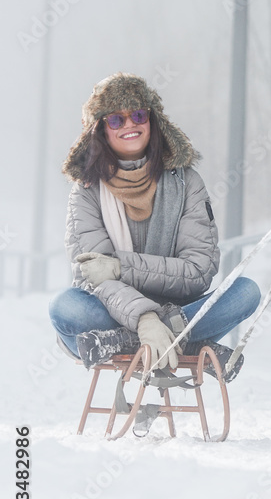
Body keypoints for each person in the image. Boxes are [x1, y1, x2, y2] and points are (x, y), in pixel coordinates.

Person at [49, 72, 260, 379]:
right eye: (115, 120)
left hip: (179, 307)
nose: (130, 125)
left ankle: (127, 342)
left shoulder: (188, 183)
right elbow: (94, 278)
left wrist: (120, 266)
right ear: (100, 130)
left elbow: (199, 272)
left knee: (246, 292)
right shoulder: (86, 191)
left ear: (153, 121)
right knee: (66, 308)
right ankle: (179, 340)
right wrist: (145, 318)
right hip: (110, 311)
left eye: (138, 114)